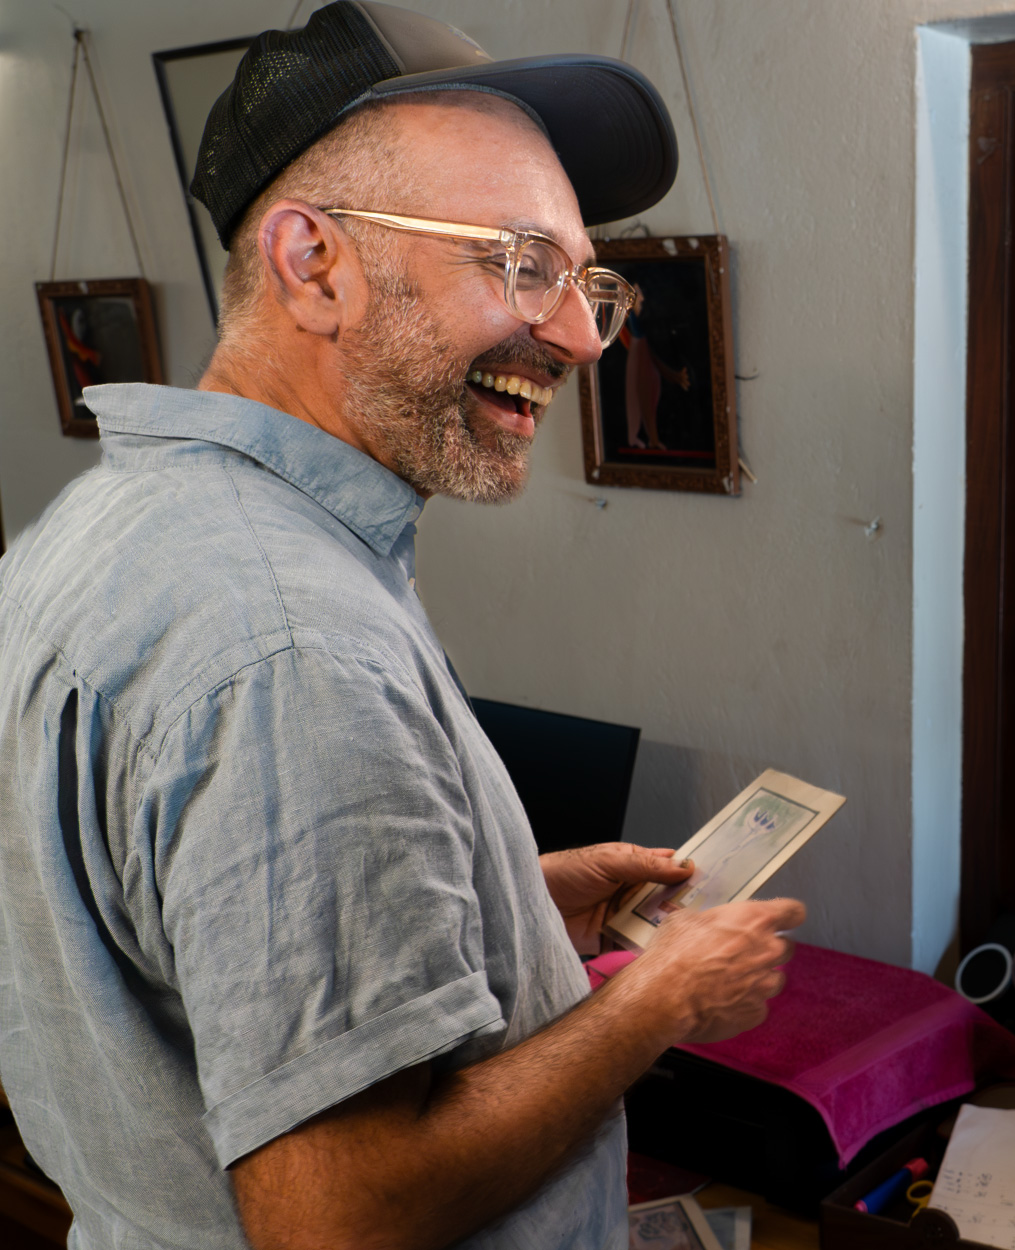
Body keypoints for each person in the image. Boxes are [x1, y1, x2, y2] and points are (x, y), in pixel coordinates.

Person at [0, 6, 801, 1248]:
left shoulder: (98, 529)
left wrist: (515, 909)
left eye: (590, 284)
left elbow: (186, 941)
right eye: (522, 264)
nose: (585, 336)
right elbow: (340, 1211)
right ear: (314, 264)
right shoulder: (290, 651)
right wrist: (657, 999)